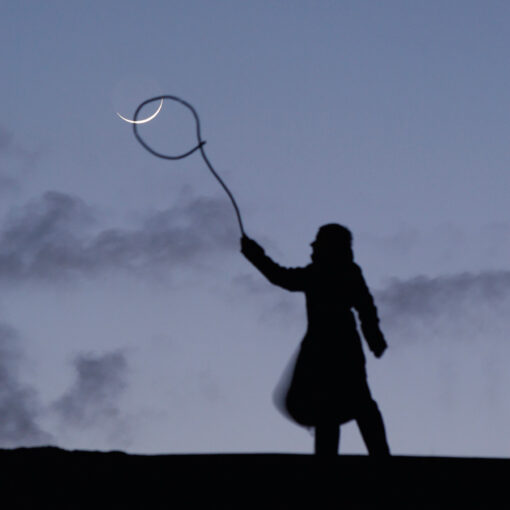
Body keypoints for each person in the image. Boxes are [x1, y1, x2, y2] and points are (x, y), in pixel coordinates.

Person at [241, 224, 390, 456]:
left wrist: (253, 254)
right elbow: (366, 307)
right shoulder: (345, 271)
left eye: (318, 241)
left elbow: (280, 276)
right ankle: (378, 456)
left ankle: (337, 461)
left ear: (328, 247)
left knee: (339, 407)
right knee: (354, 404)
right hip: (341, 346)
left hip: (325, 350)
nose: (312, 245)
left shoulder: (318, 273)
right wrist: (374, 338)